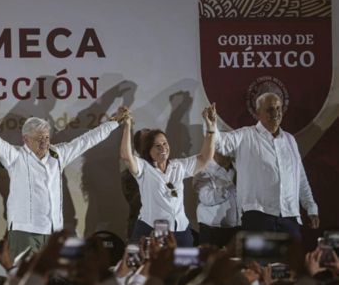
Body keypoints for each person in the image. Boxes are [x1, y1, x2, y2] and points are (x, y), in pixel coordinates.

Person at [0, 100, 129, 259]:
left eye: (46, 137)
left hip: (53, 232)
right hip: (25, 232)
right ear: (26, 139)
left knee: (53, 278)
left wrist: (113, 123)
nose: (44, 142)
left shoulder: (57, 155)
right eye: (39, 138)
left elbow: (87, 140)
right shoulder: (15, 157)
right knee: (25, 278)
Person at [215, 92, 319, 238]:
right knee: (258, 261)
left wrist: (311, 208)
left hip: (289, 216)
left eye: (278, 108)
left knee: (292, 261)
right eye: (270, 109)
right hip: (258, 216)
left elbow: (300, 177)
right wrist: (210, 124)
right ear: (258, 113)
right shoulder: (246, 135)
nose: (276, 113)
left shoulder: (290, 140)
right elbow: (220, 143)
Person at [120, 105, 216, 247]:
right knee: (151, 268)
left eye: (165, 143)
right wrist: (127, 126)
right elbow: (126, 156)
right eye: (157, 146)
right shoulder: (144, 168)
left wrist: (211, 129)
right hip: (153, 230)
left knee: (186, 267)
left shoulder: (178, 166)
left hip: (181, 231)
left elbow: (204, 158)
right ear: (148, 150)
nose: (163, 148)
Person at [193, 152, 239, 248]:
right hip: (212, 231)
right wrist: (230, 187)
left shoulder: (238, 168)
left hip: (236, 230)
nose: (228, 152)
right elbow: (206, 198)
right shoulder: (203, 169)